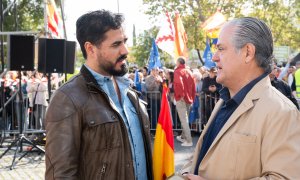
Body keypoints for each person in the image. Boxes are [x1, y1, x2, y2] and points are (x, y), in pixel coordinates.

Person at [185, 17, 300, 179]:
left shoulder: (282, 112)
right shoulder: (223, 101)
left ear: (247, 52)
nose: (214, 57)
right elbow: (203, 159)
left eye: (221, 48)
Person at [45, 10, 153, 180]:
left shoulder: (130, 90)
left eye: (124, 41)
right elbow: (60, 175)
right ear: (90, 48)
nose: (125, 50)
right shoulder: (67, 98)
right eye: (116, 44)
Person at [174, 56, 196, 147]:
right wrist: (192, 98)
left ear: (179, 62)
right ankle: (183, 137)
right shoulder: (190, 71)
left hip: (182, 98)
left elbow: (179, 83)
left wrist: (180, 95)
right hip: (189, 98)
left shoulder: (178, 71)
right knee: (185, 119)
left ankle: (189, 140)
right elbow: (193, 86)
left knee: (184, 120)